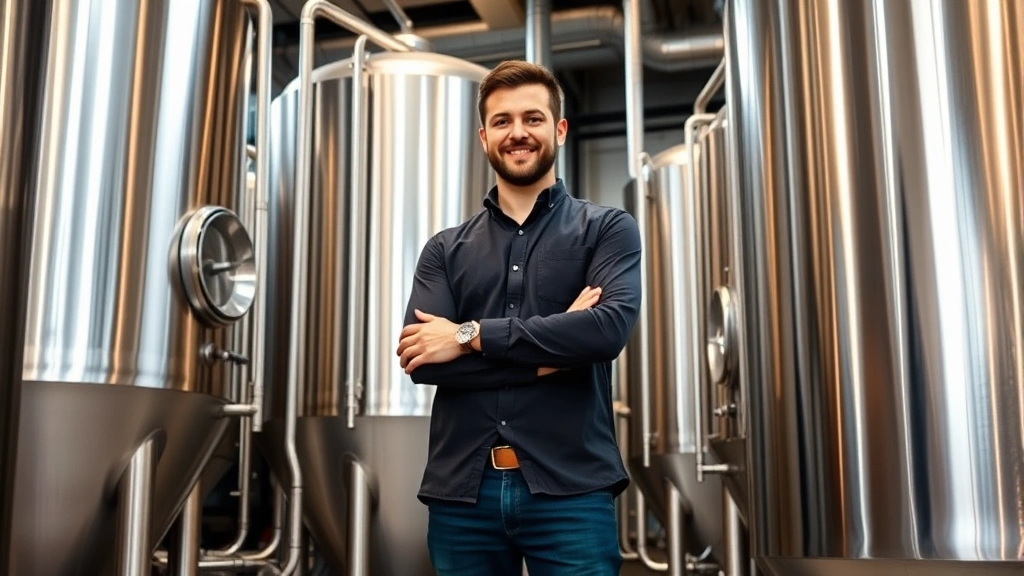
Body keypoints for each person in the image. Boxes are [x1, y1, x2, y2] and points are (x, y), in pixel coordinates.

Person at [396, 60, 641, 576]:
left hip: (570, 490)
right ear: (485, 138)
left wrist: (467, 335)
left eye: (532, 118)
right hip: (463, 494)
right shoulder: (444, 249)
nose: (518, 133)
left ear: (559, 129)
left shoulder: (608, 230)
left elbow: (605, 330)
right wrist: (553, 354)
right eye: (502, 122)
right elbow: (424, 361)